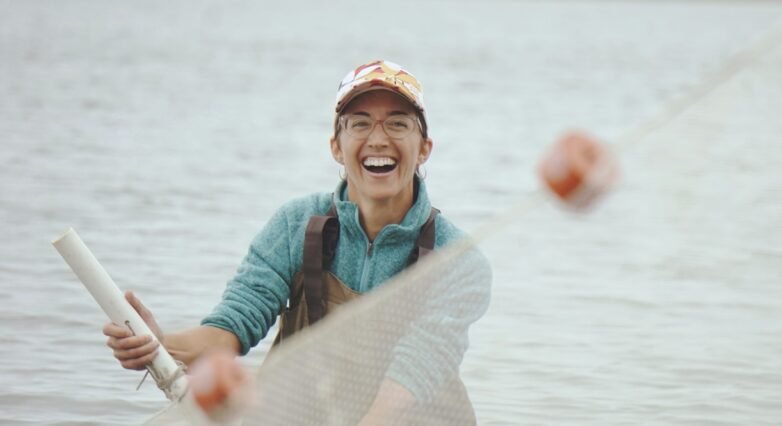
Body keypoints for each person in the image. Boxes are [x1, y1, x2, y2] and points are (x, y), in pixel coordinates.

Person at [102, 60, 492, 425]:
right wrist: (157, 345)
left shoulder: (459, 260)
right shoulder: (296, 225)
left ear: (424, 147)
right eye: (359, 123)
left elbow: (416, 371)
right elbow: (231, 328)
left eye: (397, 124)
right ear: (336, 147)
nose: (378, 139)